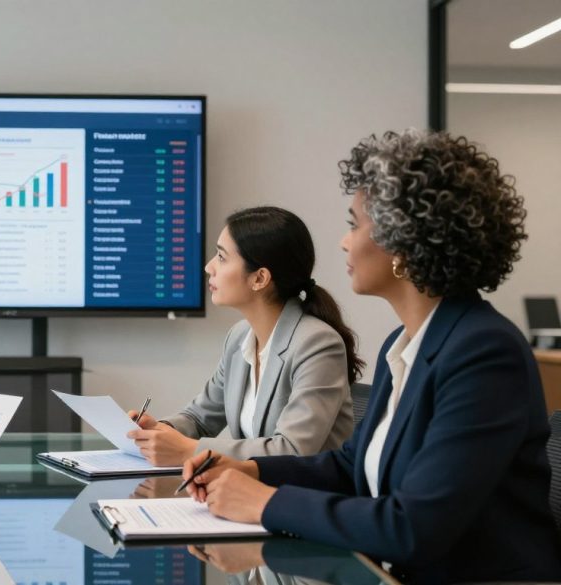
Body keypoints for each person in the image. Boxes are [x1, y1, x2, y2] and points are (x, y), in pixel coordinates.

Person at [184, 130, 561, 583]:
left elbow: (412, 526)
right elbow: (350, 465)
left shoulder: (484, 352)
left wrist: (263, 502)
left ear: (403, 242)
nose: (344, 243)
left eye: (354, 224)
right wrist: (250, 469)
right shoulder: (402, 345)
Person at [128, 206, 361, 465]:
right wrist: (160, 431)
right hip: (254, 492)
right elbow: (199, 418)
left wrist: (190, 450)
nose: (208, 267)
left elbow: (294, 449)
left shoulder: (317, 344)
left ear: (260, 278)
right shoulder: (239, 338)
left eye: (221, 257)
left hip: (307, 497)